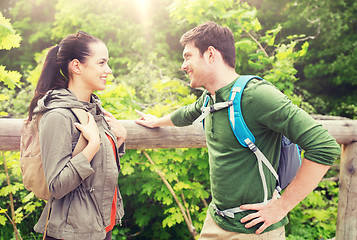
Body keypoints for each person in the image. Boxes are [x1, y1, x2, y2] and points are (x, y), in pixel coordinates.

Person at [135, 21, 340, 239]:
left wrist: (282, 206)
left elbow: (325, 146)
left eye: (187, 56)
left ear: (211, 54)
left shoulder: (256, 95)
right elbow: (187, 113)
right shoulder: (210, 98)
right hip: (215, 220)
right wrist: (158, 122)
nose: (183, 65)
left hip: (254, 231)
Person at [28, 31, 127, 240]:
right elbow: (57, 185)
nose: (108, 70)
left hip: (98, 228)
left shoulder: (93, 110)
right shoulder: (58, 115)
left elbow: (96, 173)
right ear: (76, 66)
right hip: (71, 233)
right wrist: (92, 147)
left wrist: (118, 141)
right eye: (101, 63)